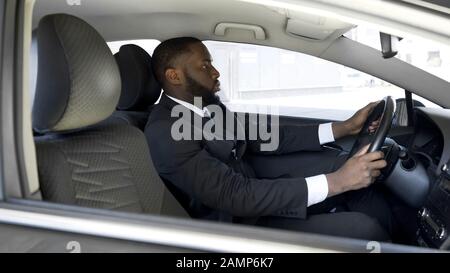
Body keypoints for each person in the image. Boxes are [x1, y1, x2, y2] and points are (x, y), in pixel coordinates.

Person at [145, 37, 395, 241]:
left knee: (358, 179)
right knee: (364, 230)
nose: (216, 71)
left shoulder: (205, 107)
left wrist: (345, 127)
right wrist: (337, 182)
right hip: (236, 226)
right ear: (174, 76)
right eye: (205, 66)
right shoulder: (165, 132)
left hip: (254, 191)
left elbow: (266, 137)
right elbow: (235, 196)